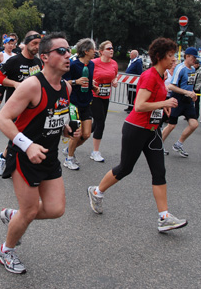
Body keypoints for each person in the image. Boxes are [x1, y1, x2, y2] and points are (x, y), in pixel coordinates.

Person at [0, 32, 80, 274]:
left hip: (49, 155)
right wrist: (27, 145)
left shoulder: (66, 87)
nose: (68, 55)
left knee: (56, 209)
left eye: (68, 49)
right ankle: (6, 250)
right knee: (30, 210)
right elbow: (3, 119)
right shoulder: (32, 85)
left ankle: (15, 216)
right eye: (61, 51)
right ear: (44, 57)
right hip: (24, 155)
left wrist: (66, 128)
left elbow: (55, 114)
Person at [86, 37, 187, 233]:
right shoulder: (149, 75)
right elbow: (139, 105)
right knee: (125, 168)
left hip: (153, 131)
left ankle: (164, 217)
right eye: (170, 56)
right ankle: (97, 191)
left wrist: (162, 107)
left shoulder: (162, 76)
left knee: (159, 172)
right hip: (136, 129)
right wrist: (164, 104)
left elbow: (154, 100)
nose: (174, 59)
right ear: (159, 56)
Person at [0, 32, 43, 175]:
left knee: (26, 136)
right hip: (15, 106)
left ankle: (17, 162)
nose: (37, 47)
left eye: (39, 44)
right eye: (34, 44)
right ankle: (3, 159)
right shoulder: (15, 60)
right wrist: (15, 83)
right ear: (26, 44)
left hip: (32, 107)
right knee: (16, 136)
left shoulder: (38, 62)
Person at [62, 38, 98, 170]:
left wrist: (93, 87)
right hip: (73, 103)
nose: (95, 51)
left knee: (86, 134)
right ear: (86, 51)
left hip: (86, 102)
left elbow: (89, 80)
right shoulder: (72, 65)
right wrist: (75, 82)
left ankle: (69, 149)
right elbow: (64, 82)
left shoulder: (92, 65)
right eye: (94, 49)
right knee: (77, 133)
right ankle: (69, 158)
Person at [161, 47, 199, 158]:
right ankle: (159, 144)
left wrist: (192, 93)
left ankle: (179, 143)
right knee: (171, 125)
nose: (195, 60)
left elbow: (188, 84)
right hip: (178, 99)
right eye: (193, 57)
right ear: (187, 56)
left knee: (194, 124)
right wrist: (186, 92)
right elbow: (172, 86)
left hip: (187, 101)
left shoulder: (192, 70)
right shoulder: (180, 68)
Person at [90, 40, 119, 162]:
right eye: (108, 48)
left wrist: (115, 81)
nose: (111, 50)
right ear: (101, 52)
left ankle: (74, 142)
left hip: (106, 96)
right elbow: (85, 75)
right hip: (94, 96)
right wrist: (91, 82)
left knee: (94, 126)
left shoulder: (114, 64)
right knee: (101, 122)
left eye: (112, 48)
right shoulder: (93, 63)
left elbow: (115, 75)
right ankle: (95, 152)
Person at [0, 34, 18, 124]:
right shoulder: (1, 55)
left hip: (11, 82)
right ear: (4, 44)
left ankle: (9, 117)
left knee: (11, 101)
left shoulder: (15, 56)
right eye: (9, 43)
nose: (11, 45)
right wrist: (2, 69)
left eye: (12, 43)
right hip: (1, 81)